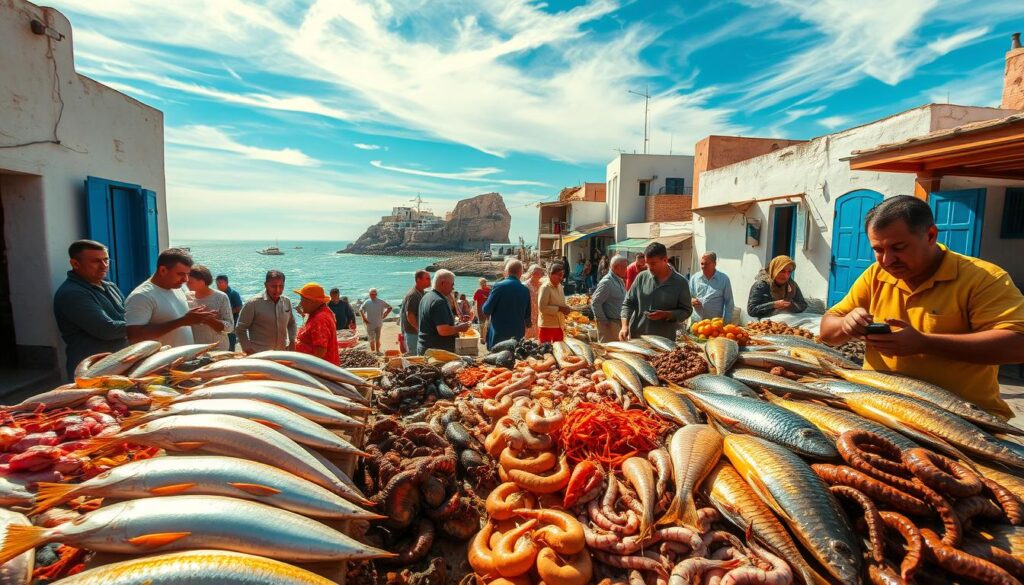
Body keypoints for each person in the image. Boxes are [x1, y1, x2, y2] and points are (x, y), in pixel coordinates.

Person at [820, 195, 1024, 419]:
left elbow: (1016, 345)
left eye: (898, 247)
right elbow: (827, 332)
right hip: (881, 407)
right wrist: (846, 324)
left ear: (930, 235)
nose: (887, 260)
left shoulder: (983, 278)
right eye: (878, 250)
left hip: (961, 417)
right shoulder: (875, 275)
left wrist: (925, 343)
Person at [53, 240, 128, 379]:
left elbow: (128, 316)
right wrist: (145, 325)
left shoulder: (110, 286)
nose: (104, 266)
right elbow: (107, 330)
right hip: (92, 371)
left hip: (118, 365)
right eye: (96, 261)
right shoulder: (72, 293)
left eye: (106, 260)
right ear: (75, 264)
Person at [125, 248, 219, 347]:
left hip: (184, 359)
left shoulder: (179, 287)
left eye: (187, 274)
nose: (185, 280)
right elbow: (134, 336)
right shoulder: (142, 296)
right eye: (180, 274)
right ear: (163, 270)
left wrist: (198, 317)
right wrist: (182, 321)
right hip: (162, 361)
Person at [620, 242, 692, 341]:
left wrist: (666, 314)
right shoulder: (641, 277)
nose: (649, 267)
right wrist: (624, 326)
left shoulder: (680, 282)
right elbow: (628, 303)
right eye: (647, 263)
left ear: (665, 260)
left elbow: (686, 311)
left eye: (653, 263)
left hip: (663, 341)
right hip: (638, 338)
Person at [236, 270, 297, 354]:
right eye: (273, 286)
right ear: (265, 285)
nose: (277, 290)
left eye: (281, 286)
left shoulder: (287, 301)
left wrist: (292, 340)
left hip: (282, 353)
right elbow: (240, 329)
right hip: (259, 355)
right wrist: (248, 349)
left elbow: (292, 323)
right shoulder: (253, 303)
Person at [482, 259, 531, 349]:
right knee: (515, 361)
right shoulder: (525, 290)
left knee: (496, 360)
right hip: (517, 335)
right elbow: (527, 317)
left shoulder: (499, 286)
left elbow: (486, 310)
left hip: (499, 335)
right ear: (521, 273)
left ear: (507, 271)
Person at [418, 270, 470, 353]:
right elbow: (443, 330)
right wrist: (460, 328)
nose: (453, 287)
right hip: (437, 352)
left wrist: (454, 325)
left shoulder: (426, 296)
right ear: (443, 283)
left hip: (426, 348)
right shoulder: (439, 301)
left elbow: (433, 324)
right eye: (452, 284)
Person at [186, 265, 233, 350]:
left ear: (202, 281)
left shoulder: (221, 297)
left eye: (190, 281)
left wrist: (209, 320)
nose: (186, 283)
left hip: (218, 348)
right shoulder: (187, 296)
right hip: (195, 348)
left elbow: (230, 327)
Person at [293, 282, 340, 365]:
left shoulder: (319, 319)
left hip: (320, 372)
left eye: (302, 300)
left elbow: (320, 351)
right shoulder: (321, 312)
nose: (300, 304)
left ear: (312, 301)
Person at [689, 252, 735, 323]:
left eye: (706, 264)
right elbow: (688, 296)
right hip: (696, 322)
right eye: (702, 264)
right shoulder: (695, 278)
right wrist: (691, 300)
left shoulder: (724, 279)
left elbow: (729, 303)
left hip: (714, 325)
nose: (703, 266)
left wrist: (726, 323)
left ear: (714, 264)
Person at [591, 255, 627, 342]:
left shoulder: (620, 280)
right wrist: (604, 321)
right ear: (615, 267)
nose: (626, 269)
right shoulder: (607, 282)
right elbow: (595, 303)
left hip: (618, 323)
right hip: (610, 324)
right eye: (624, 267)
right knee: (607, 353)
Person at [538, 262, 571, 343]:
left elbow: (561, 303)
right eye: (559, 275)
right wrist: (560, 309)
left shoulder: (559, 286)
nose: (561, 278)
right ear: (551, 274)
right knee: (545, 353)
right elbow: (542, 308)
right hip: (547, 326)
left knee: (561, 352)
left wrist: (565, 309)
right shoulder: (546, 287)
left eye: (562, 275)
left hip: (559, 325)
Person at [400, 270, 430, 355]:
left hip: (415, 332)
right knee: (413, 357)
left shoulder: (421, 292)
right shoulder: (413, 295)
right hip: (412, 333)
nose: (430, 281)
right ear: (418, 280)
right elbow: (409, 315)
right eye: (427, 279)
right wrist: (418, 329)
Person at [215, 274, 243, 351]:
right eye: (217, 283)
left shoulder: (233, 293)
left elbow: (239, 308)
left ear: (226, 283)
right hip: (221, 323)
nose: (218, 285)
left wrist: (226, 312)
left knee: (230, 344)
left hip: (231, 322)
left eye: (221, 283)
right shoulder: (217, 294)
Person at [360, 288, 392, 353]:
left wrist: (385, 314)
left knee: (377, 338)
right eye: (371, 294)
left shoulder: (381, 301)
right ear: (369, 294)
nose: (372, 295)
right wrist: (364, 318)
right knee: (371, 339)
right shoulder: (367, 302)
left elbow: (390, 307)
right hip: (369, 323)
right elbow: (361, 309)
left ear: (376, 294)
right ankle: (373, 351)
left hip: (378, 323)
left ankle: (377, 351)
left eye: (373, 294)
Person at [522, 264, 545, 338]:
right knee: (527, 340)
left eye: (540, 273)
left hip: (539, 317)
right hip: (528, 318)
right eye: (535, 273)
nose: (538, 275)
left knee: (538, 339)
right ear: (531, 273)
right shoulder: (525, 286)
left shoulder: (542, 285)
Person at [473, 278, 492, 345]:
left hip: (480, 309)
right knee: (488, 324)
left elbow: (474, 298)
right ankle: (487, 338)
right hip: (488, 309)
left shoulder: (479, 291)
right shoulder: (489, 290)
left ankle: (482, 338)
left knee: (482, 324)